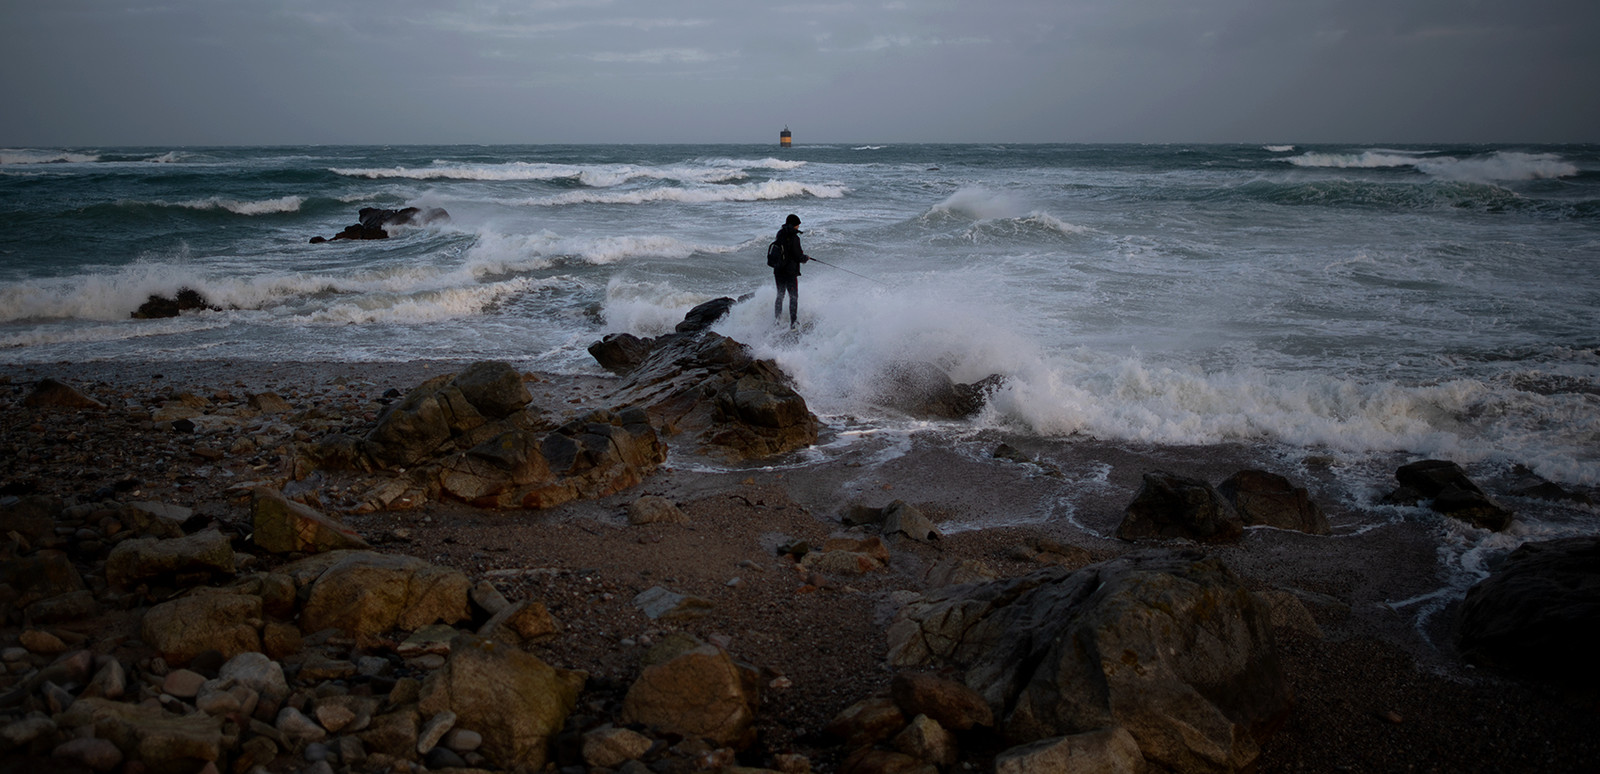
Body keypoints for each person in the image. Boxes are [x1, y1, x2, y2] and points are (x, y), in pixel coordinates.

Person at [773, 213, 810, 328]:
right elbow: (798, 256)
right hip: (790, 272)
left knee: (780, 295)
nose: (798, 227)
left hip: (778, 270)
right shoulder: (795, 238)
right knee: (793, 297)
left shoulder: (779, 234)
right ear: (794, 225)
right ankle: (793, 323)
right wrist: (806, 258)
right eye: (798, 225)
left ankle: (777, 321)